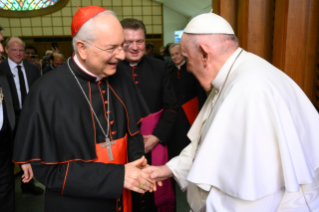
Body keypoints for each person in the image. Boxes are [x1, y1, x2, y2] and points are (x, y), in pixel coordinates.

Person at [144, 12, 319, 212]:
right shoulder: (231, 77)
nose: (189, 69)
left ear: (204, 54)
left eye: (187, 58)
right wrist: (166, 169)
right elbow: (205, 143)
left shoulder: (249, 90)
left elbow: (251, 195)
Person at [12, 6, 155, 212]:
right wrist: (119, 175)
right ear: (82, 48)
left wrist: (138, 164)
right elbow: (50, 172)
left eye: (121, 47)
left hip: (124, 198)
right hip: (76, 204)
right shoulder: (47, 91)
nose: (122, 56)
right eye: (111, 48)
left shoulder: (121, 76)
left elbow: (132, 132)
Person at [118, 18, 178, 212]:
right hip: (122, 147)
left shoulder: (159, 67)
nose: (135, 47)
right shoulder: (111, 68)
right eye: (128, 41)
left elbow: (171, 107)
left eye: (140, 41)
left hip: (155, 145)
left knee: (154, 196)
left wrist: (156, 137)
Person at [0, 36, 43, 196]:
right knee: (9, 154)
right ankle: (8, 185)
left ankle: (28, 183)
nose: (18, 53)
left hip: (30, 118)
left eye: (21, 50)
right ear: (6, 50)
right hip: (10, 119)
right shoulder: (1, 68)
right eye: (14, 50)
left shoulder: (32, 68)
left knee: (29, 150)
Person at [0, 26, 33, 212]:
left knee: (6, 197)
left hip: (4, 150)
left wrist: (21, 156)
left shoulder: (3, 77)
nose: (0, 49)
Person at [168, 43, 206, 159]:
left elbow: (201, 94)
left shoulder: (192, 70)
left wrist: (202, 114)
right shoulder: (169, 72)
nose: (175, 57)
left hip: (190, 115)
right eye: (172, 55)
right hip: (175, 115)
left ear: (183, 54)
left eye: (177, 54)